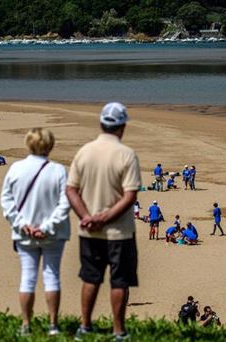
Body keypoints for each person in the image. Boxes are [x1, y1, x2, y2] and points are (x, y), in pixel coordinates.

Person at [65, 102, 141, 342]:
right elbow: (130, 196)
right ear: (122, 127)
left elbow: (71, 190)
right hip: (120, 231)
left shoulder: (84, 151)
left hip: (89, 232)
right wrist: (104, 218)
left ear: (101, 124)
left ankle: (85, 326)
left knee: (90, 278)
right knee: (119, 281)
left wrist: (87, 218)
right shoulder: (126, 154)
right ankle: (119, 331)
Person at [0, 128, 70, 337]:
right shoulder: (58, 170)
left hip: (25, 234)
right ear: (50, 145)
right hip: (53, 234)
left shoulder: (16, 168)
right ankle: (53, 324)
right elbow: (64, 203)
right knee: (52, 277)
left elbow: (6, 201)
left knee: (27, 278)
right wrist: (47, 227)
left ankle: (26, 324)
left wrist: (22, 225)